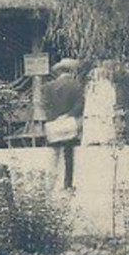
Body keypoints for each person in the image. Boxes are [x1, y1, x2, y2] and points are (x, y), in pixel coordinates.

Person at [41, 58, 85, 191]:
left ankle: (50, 184)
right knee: (68, 155)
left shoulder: (48, 87)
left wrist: (53, 118)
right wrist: (67, 115)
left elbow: (45, 105)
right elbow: (80, 105)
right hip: (68, 124)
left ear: (58, 72)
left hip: (54, 124)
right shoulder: (76, 85)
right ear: (71, 71)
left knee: (53, 154)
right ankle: (67, 184)